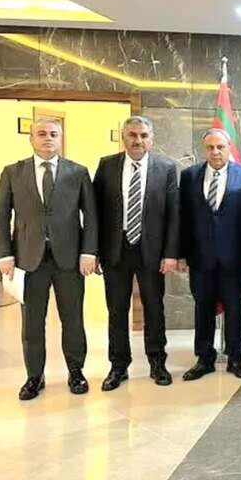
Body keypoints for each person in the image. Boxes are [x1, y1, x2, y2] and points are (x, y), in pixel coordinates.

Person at [0, 118, 98, 400]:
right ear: (31, 139)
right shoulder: (13, 172)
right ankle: (34, 377)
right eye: (41, 133)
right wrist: (4, 254)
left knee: (73, 320)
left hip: (69, 260)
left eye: (54, 134)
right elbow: (0, 216)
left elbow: (91, 216)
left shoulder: (78, 172)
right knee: (32, 323)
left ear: (61, 139)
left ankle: (76, 371)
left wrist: (89, 252)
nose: (48, 138)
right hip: (29, 261)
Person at [93, 115, 179, 390]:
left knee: (154, 308)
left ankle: (157, 363)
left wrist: (170, 253)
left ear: (151, 139)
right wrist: (93, 251)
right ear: (123, 137)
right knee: (117, 310)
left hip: (151, 251)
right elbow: (95, 212)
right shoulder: (107, 165)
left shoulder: (166, 168)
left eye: (143, 135)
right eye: (132, 135)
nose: (138, 140)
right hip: (115, 250)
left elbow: (173, 214)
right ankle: (118, 366)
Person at [178, 128, 241, 380]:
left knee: (234, 309)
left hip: (234, 258)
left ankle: (236, 358)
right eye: (210, 147)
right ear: (205, 150)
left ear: (228, 148)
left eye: (220, 147)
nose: (215, 152)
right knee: (203, 308)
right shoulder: (189, 176)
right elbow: (183, 217)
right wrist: (181, 254)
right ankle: (204, 358)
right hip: (200, 258)